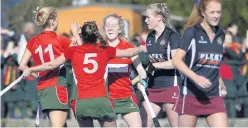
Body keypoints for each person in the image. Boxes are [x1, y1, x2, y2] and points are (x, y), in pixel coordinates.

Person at [22, 21, 146, 127]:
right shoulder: (105, 50)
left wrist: (31, 69)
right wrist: (141, 48)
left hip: (80, 103)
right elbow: (129, 52)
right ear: (96, 35)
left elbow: (51, 65)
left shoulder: (73, 51)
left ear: (82, 35)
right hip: (101, 100)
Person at [172, 0, 228, 127]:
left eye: (218, 12)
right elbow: (176, 60)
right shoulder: (192, 32)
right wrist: (196, 77)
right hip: (191, 94)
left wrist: (221, 82)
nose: (216, 15)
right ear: (203, 12)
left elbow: (213, 62)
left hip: (213, 95)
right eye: (212, 12)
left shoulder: (221, 34)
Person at [19, 7, 71, 127]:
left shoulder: (33, 41)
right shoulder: (62, 40)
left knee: (62, 125)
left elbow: (22, 66)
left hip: (42, 88)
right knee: (58, 125)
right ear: (52, 21)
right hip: (57, 87)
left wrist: (36, 75)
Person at [103, 14, 147, 127]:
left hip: (127, 97)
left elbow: (141, 71)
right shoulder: (100, 48)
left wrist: (142, 81)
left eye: (113, 25)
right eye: (107, 25)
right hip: (107, 99)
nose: (110, 28)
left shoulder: (128, 46)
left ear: (120, 29)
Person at [141, 3, 180, 127]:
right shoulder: (150, 37)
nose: (145, 20)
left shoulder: (172, 36)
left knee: (175, 124)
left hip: (170, 85)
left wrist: (155, 66)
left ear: (158, 18)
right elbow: (150, 62)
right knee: (144, 115)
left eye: (148, 17)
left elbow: (176, 62)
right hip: (154, 86)